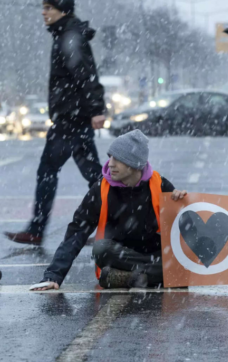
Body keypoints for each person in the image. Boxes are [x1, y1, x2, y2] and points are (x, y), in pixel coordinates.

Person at [30, 130, 188, 291]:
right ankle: (152, 276)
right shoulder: (100, 188)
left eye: (117, 159)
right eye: (110, 157)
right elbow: (77, 231)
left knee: (181, 263)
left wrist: (181, 205)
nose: (110, 163)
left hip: (154, 253)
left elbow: (185, 230)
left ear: (134, 164)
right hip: (119, 255)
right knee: (101, 249)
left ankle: (131, 277)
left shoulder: (159, 184)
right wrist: (53, 275)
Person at [5, 0, 107, 245]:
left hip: (72, 118)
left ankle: (38, 228)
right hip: (70, 117)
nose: (43, 12)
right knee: (92, 175)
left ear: (63, 11)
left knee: (54, 172)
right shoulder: (65, 34)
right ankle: (116, 223)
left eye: (48, 8)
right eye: (43, 7)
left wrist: (96, 109)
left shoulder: (70, 37)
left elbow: (86, 74)